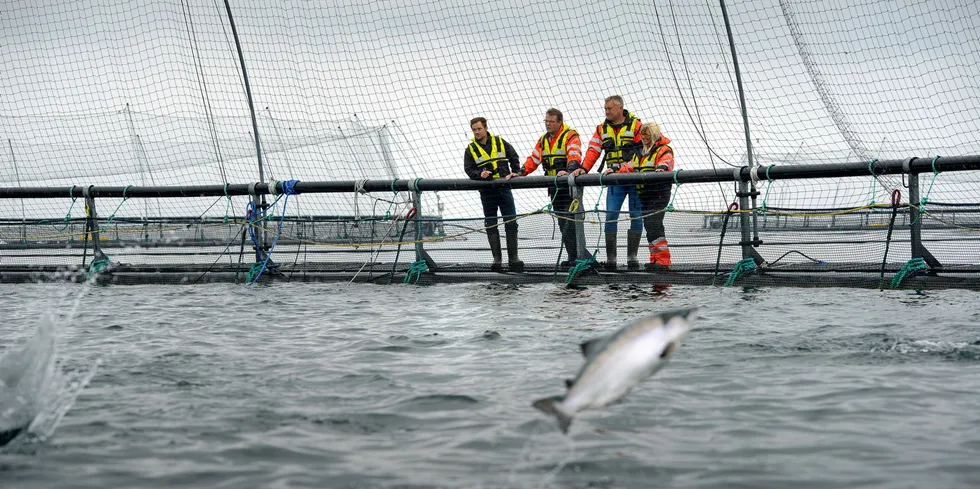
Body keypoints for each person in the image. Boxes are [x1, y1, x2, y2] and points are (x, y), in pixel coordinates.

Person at [568, 95, 644, 270]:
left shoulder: (637, 126)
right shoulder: (601, 129)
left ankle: (632, 258)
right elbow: (593, 150)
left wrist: (623, 169)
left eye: (609, 108)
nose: (606, 111)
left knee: (637, 215)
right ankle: (611, 260)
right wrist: (584, 169)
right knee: (610, 217)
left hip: (634, 179)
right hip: (613, 180)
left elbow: (641, 154)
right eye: (605, 109)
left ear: (619, 108)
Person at [518, 108, 583, 266]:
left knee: (572, 221)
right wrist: (520, 173)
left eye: (551, 121)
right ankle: (572, 256)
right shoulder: (543, 140)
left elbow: (575, 156)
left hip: (569, 188)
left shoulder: (570, 135)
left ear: (559, 122)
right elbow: (533, 160)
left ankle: (579, 257)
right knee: (562, 223)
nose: (547, 124)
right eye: (546, 121)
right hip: (554, 189)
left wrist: (568, 172)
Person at [463, 117, 523, 271]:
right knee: (491, 224)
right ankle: (497, 259)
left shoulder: (500, 142)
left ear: (485, 128)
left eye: (479, 129)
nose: (477, 132)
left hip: (504, 189)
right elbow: (469, 169)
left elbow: (514, 157)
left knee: (511, 221)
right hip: (487, 192)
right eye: (474, 130)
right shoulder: (470, 150)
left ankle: (513, 259)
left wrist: (515, 172)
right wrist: (479, 174)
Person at [622, 121, 675, 270]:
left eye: (647, 134)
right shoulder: (640, 153)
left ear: (654, 134)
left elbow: (667, 161)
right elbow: (629, 167)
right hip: (645, 196)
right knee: (650, 226)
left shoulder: (664, 150)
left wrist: (662, 168)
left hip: (658, 195)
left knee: (654, 226)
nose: (643, 137)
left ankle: (663, 261)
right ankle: (656, 259)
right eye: (642, 134)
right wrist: (614, 171)